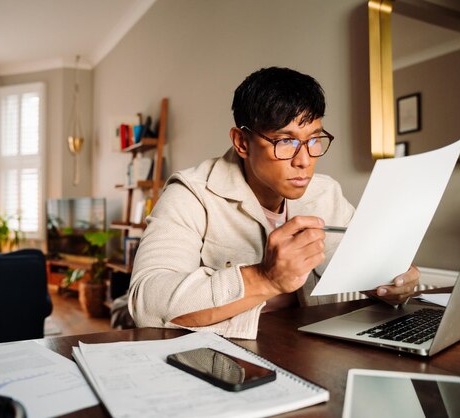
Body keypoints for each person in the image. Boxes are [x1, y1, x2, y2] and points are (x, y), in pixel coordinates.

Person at [128, 67, 419, 339]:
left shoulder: (325, 193)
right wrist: (265, 278)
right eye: (285, 141)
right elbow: (146, 303)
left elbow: (362, 267)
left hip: (310, 348)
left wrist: (392, 282)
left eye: (314, 139)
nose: (304, 160)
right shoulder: (191, 193)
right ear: (242, 142)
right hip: (221, 358)